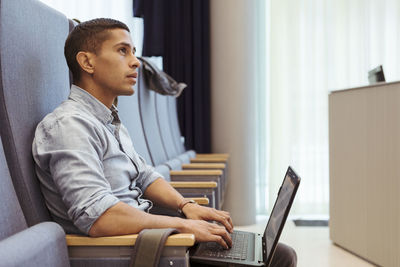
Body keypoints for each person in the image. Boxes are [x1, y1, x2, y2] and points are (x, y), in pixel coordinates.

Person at [32, 18, 296, 266]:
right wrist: (181, 226)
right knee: (277, 257)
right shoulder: (70, 126)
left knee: (266, 252)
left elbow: (145, 176)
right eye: (123, 51)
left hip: (151, 238)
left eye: (133, 51)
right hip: (128, 251)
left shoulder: (108, 120)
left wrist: (186, 206)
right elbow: (99, 217)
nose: (135, 62)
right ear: (87, 62)